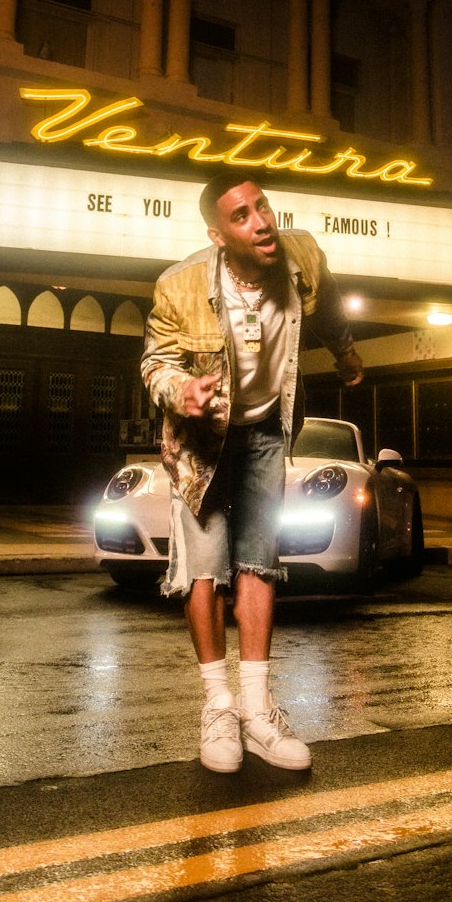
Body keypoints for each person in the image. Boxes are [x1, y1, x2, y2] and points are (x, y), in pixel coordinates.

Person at [141, 171, 364, 773]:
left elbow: (331, 306)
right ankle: (218, 708)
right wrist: (181, 389)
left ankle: (259, 712)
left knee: (259, 561)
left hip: (266, 430)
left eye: (261, 206)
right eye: (241, 215)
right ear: (218, 234)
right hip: (202, 439)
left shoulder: (303, 256)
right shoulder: (179, 286)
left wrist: (345, 354)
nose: (260, 221)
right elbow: (155, 362)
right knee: (205, 570)